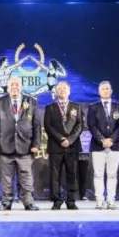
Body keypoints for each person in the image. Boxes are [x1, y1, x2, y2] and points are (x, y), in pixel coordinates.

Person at [0, 76, 41, 211]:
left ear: (21, 87)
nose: (14, 87)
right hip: (5, 145)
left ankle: (28, 202)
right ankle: (6, 202)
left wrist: (36, 144)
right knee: (6, 177)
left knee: (26, 176)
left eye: (17, 84)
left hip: (26, 146)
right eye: (12, 85)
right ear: (8, 87)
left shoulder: (31, 102)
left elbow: (36, 125)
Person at [87, 80, 119, 210]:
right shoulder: (93, 107)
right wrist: (102, 140)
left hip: (114, 146)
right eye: (103, 89)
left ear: (111, 91)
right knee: (98, 174)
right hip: (98, 146)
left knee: (112, 174)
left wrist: (112, 139)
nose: (105, 91)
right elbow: (91, 125)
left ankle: (111, 201)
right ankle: (99, 201)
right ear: (99, 92)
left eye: (107, 88)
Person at [44, 81, 84, 210]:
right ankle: (56, 200)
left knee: (72, 174)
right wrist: (61, 138)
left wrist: (70, 140)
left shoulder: (76, 106)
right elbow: (48, 126)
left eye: (64, 88)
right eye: (59, 88)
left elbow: (80, 125)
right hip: (56, 146)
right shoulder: (50, 107)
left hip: (72, 146)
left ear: (69, 91)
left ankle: (71, 200)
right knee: (55, 175)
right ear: (56, 91)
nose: (62, 90)